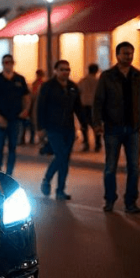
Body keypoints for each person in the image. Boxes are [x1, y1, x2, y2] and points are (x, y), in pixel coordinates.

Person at [92, 41, 140, 214]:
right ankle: (110, 199)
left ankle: (131, 202)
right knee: (110, 167)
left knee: (134, 167)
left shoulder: (138, 76)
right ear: (117, 55)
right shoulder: (107, 76)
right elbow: (98, 101)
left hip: (133, 129)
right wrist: (97, 123)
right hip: (113, 128)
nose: (128, 57)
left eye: (131, 53)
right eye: (125, 53)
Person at [36, 60, 84, 200]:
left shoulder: (72, 87)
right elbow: (40, 108)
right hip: (53, 128)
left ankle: (60, 190)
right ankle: (47, 180)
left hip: (68, 128)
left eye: (68, 69)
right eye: (62, 69)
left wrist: (85, 124)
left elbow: (78, 108)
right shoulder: (48, 86)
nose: (65, 72)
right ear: (56, 70)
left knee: (65, 159)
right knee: (61, 156)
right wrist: (40, 128)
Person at [0, 54, 30, 176]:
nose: (8, 64)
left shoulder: (20, 79)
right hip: (1, 118)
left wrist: (26, 109)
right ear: (2, 64)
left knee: (12, 147)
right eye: (6, 62)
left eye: (10, 62)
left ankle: (10, 172)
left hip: (15, 118)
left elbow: (26, 97)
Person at [78, 63, 101, 152]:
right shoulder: (98, 81)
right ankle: (98, 145)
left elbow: (78, 91)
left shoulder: (83, 80)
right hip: (95, 106)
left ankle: (86, 144)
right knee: (96, 125)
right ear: (97, 71)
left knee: (84, 126)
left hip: (84, 105)